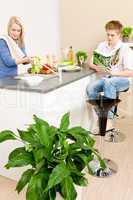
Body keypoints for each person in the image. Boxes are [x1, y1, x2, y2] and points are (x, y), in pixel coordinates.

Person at [86, 20, 133, 134]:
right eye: (108, 34)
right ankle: (102, 118)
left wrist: (114, 73)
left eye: (112, 35)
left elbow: (130, 72)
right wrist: (97, 67)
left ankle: (109, 121)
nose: (109, 37)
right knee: (91, 88)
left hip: (123, 80)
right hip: (106, 79)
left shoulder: (125, 49)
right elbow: (90, 62)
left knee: (109, 83)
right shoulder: (102, 45)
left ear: (119, 35)